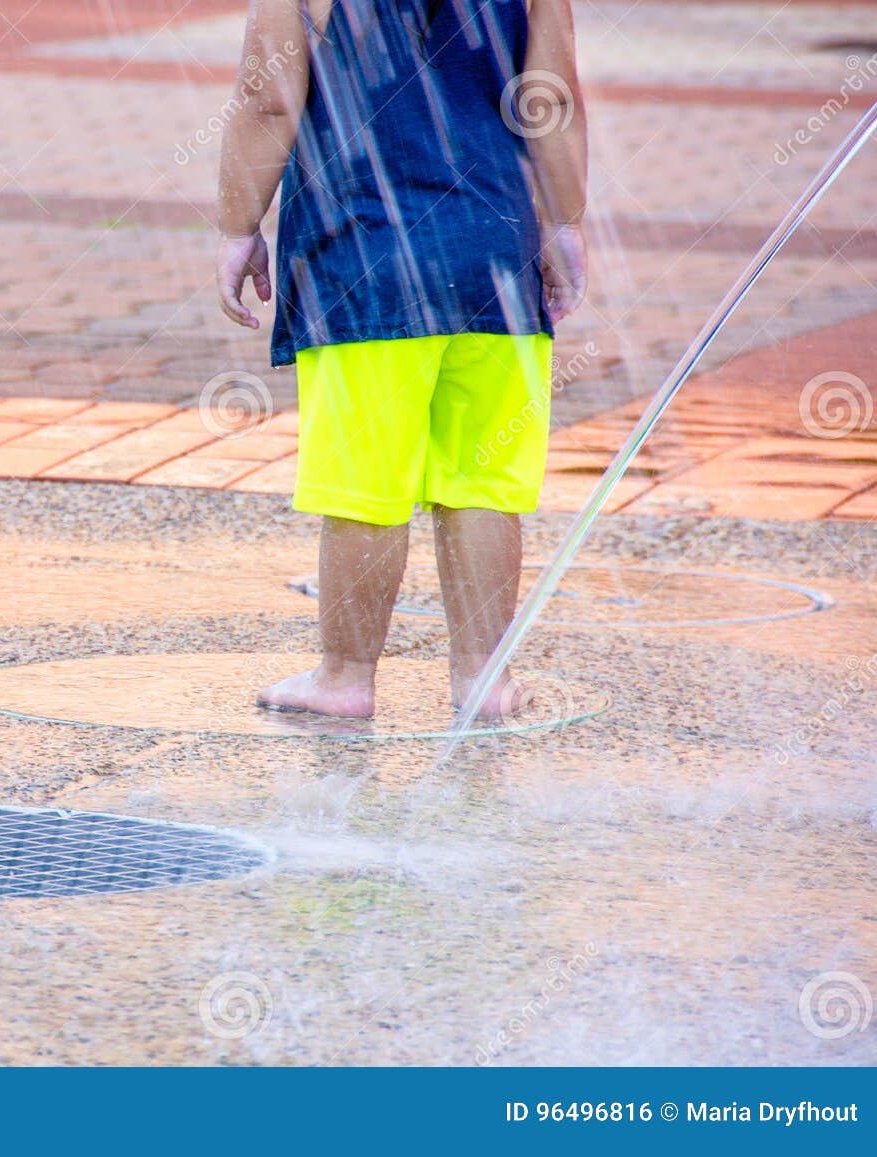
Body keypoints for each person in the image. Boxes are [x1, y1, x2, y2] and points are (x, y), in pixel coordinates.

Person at [216, 0, 588, 719]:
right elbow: (551, 94)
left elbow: (268, 100)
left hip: (364, 258)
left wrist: (238, 223)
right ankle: (484, 678)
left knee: (365, 482)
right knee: (483, 479)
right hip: (493, 256)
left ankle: (346, 676)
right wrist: (565, 219)